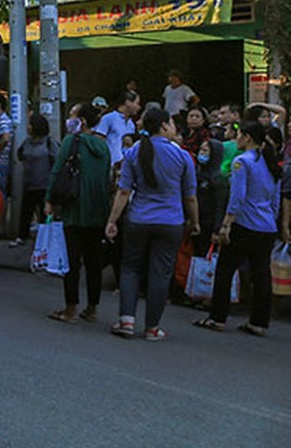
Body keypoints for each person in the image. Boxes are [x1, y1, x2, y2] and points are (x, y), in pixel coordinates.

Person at [106, 108, 199, 341]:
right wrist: (194, 221)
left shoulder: (133, 152)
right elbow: (190, 196)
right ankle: (152, 327)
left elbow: (124, 191)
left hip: (138, 219)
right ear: (165, 126)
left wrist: (112, 220)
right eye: (172, 123)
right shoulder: (182, 156)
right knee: (160, 273)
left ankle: (126, 321)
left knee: (130, 269)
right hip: (171, 222)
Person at [193, 123, 283, 336]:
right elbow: (275, 199)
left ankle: (217, 317)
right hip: (267, 225)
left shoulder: (242, 162)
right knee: (261, 274)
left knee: (225, 270)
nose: (237, 139)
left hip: (244, 224)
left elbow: (237, 197)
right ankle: (259, 321)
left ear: (248, 138)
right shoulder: (270, 164)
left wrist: (226, 224)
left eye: (240, 135)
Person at [44, 102, 112, 324]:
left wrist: (49, 200)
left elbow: (57, 171)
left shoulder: (71, 141)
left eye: (72, 116)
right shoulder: (104, 147)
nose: (69, 120)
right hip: (98, 210)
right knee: (94, 263)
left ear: (81, 121)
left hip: (74, 208)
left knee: (72, 261)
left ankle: (70, 308)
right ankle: (92, 308)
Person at [11, 114, 57, 248]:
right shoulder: (27, 142)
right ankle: (21, 236)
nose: (28, 127)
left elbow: (56, 161)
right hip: (29, 183)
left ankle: (46, 241)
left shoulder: (49, 143)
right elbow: (20, 154)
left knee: (44, 214)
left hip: (44, 185)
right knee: (26, 212)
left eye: (31, 124)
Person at [95, 91, 140, 172]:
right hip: (109, 167)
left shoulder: (131, 124)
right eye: (137, 103)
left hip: (125, 168)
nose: (139, 107)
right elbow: (98, 141)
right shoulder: (108, 118)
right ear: (128, 102)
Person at [0, 93, 13, 195]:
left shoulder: (3, 120)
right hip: (2, 161)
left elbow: (5, 138)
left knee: (0, 192)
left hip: (1, 161)